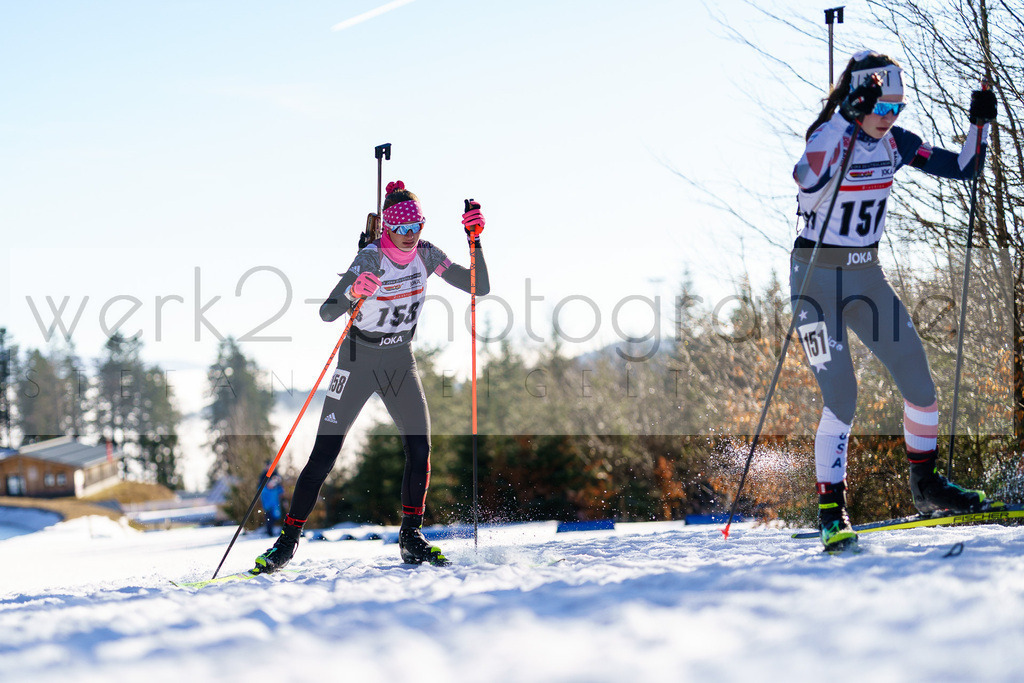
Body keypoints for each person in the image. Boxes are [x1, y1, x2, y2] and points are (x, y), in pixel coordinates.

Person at [791, 50, 998, 550]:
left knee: (920, 383)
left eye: (896, 108)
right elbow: (805, 176)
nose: (889, 117)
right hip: (815, 282)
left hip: (866, 278)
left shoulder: (896, 143)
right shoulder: (828, 136)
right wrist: (843, 119)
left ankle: (926, 486)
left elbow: (965, 167)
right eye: (881, 107)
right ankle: (831, 509)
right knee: (842, 396)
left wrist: (980, 125)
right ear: (857, 101)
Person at [254, 180, 489, 571]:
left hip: (399, 361)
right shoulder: (370, 258)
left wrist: (475, 241)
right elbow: (328, 311)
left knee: (420, 448)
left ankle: (411, 537)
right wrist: (352, 292)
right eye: (401, 228)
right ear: (389, 228)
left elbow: (478, 286)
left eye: (417, 227)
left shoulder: (427, 254)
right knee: (324, 454)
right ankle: (287, 542)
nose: (410, 235)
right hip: (358, 361)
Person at [260, 472, 284, 537]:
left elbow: (281, 491)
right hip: (268, 507)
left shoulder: (276, 489)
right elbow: (260, 492)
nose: (272, 484)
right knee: (269, 520)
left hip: (276, 507)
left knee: (277, 518)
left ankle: (280, 531)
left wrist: (279, 482)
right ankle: (269, 532)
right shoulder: (264, 490)